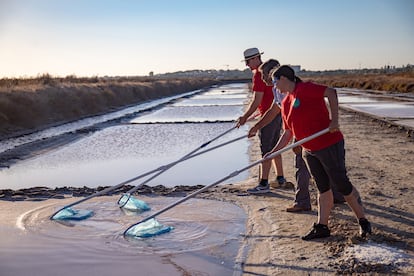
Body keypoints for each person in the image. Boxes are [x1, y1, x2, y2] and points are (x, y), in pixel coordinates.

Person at [267, 65, 372, 239]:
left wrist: (334, 120)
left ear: (284, 79)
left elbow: (331, 93)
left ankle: (363, 221)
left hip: (329, 143)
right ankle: (322, 226)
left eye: (275, 82)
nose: (275, 86)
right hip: (310, 150)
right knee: (322, 188)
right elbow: (287, 133)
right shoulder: (286, 102)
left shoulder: (306, 88)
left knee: (342, 184)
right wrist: (273, 152)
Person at [248, 59, 345, 212]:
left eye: (264, 75)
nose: (262, 79)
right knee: (305, 165)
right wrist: (257, 127)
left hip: (312, 133)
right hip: (298, 131)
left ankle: (324, 197)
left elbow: (330, 93)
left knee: (311, 166)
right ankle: (309, 200)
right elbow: (276, 112)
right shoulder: (278, 90)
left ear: (275, 74)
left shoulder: (300, 89)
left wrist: (334, 120)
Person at [237, 48, 286, 194]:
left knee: (267, 149)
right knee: (275, 146)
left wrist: (245, 117)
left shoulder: (259, 74)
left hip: (269, 116)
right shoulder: (268, 70)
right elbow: (263, 99)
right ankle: (280, 178)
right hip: (277, 114)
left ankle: (263, 183)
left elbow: (256, 99)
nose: (246, 65)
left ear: (256, 58)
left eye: (248, 61)